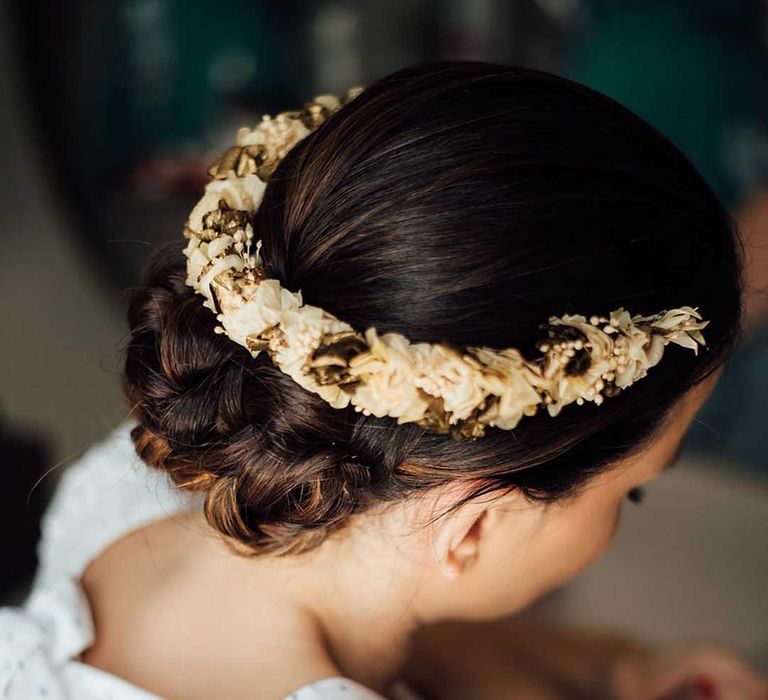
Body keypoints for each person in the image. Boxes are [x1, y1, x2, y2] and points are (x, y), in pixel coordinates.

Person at [2, 61, 767, 700]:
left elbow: (400, 631)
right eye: (630, 490)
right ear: (473, 527)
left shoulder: (128, 489)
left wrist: (616, 668)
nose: (624, 514)